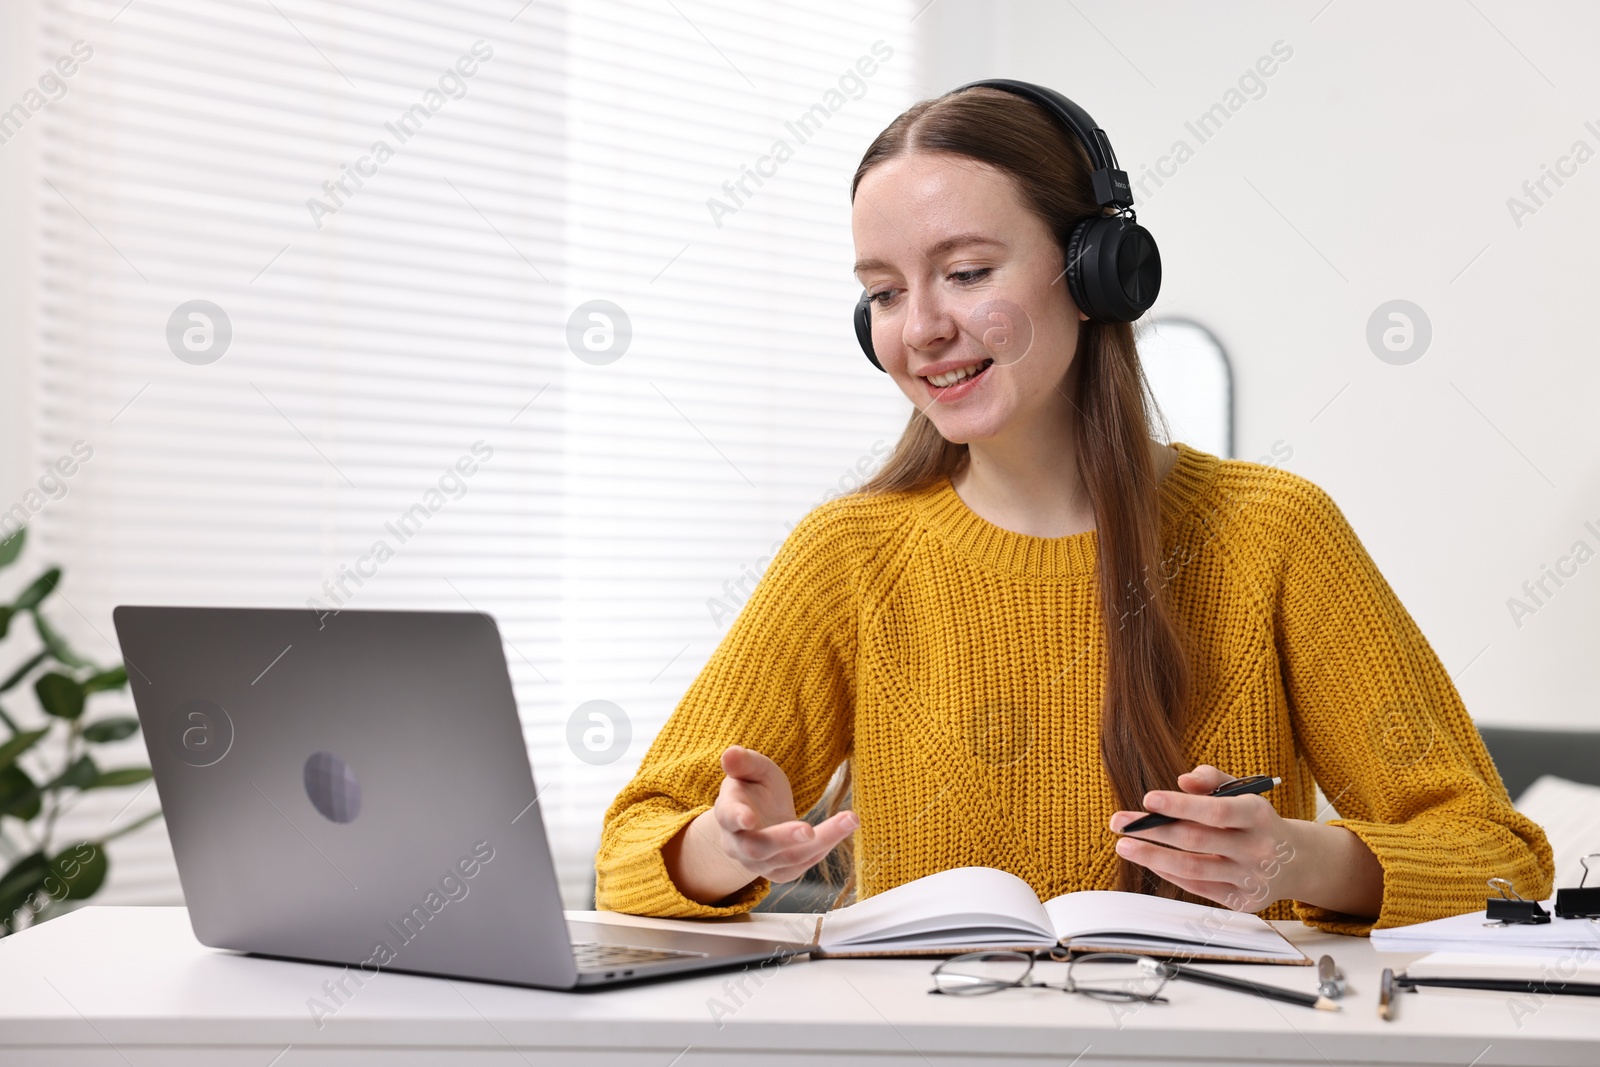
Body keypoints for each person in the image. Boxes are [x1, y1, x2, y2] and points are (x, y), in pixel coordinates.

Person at [593, 83, 1552, 932]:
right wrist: (728, 849)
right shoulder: (849, 554)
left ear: (1098, 272)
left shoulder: (1277, 533)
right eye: (884, 292)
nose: (920, 327)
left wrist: (1294, 858)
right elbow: (628, 853)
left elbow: (1502, 859)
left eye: (966, 273)